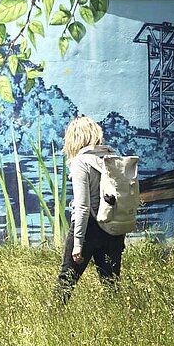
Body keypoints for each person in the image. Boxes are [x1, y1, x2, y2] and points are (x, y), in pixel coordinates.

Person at [54, 115, 127, 304]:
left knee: (65, 282)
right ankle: (118, 323)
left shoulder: (81, 162)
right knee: (111, 285)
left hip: (89, 228)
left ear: (75, 138)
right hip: (113, 228)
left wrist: (78, 243)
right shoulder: (113, 158)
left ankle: (51, 319)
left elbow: (83, 206)